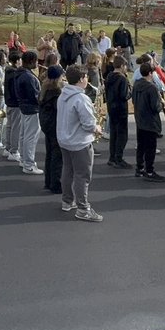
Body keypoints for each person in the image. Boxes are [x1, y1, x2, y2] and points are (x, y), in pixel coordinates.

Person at [57, 65, 103, 222]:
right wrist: (97, 128)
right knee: (82, 175)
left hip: (64, 140)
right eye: (86, 77)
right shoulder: (81, 98)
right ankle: (83, 208)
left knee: (67, 171)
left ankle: (67, 201)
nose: (87, 79)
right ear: (81, 79)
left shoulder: (63, 94)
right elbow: (88, 124)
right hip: (79, 143)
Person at [132, 63, 165, 182]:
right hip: (150, 121)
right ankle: (149, 171)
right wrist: (162, 103)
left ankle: (139, 168)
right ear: (150, 73)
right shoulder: (152, 88)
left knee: (141, 145)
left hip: (140, 119)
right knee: (151, 148)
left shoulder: (136, 84)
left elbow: (133, 100)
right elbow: (155, 107)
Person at [11, 50, 42, 175]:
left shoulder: (20, 73)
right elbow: (34, 96)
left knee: (24, 135)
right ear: (31, 62)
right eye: (36, 61)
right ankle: (28, 164)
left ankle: (24, 159)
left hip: (24, 107)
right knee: (31, 137)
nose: (37, 64)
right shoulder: (28, 77)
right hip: (32, 108)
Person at [39, 66, 65, 195]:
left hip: (47, 125)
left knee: (49, 154)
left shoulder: (45, 89)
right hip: (55, 126)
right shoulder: (57, 93)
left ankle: (48, 181)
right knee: (57, 156)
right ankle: (56, 183)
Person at [104, 55, 131, 169]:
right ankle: (118, 158)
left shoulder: (109, 76)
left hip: (111, 107)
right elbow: (124, 95)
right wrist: (130, 92)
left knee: (114, 133)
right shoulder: (122, 79)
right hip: (121, 109)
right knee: (122, 135)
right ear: (122, 66)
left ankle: (112, 157)